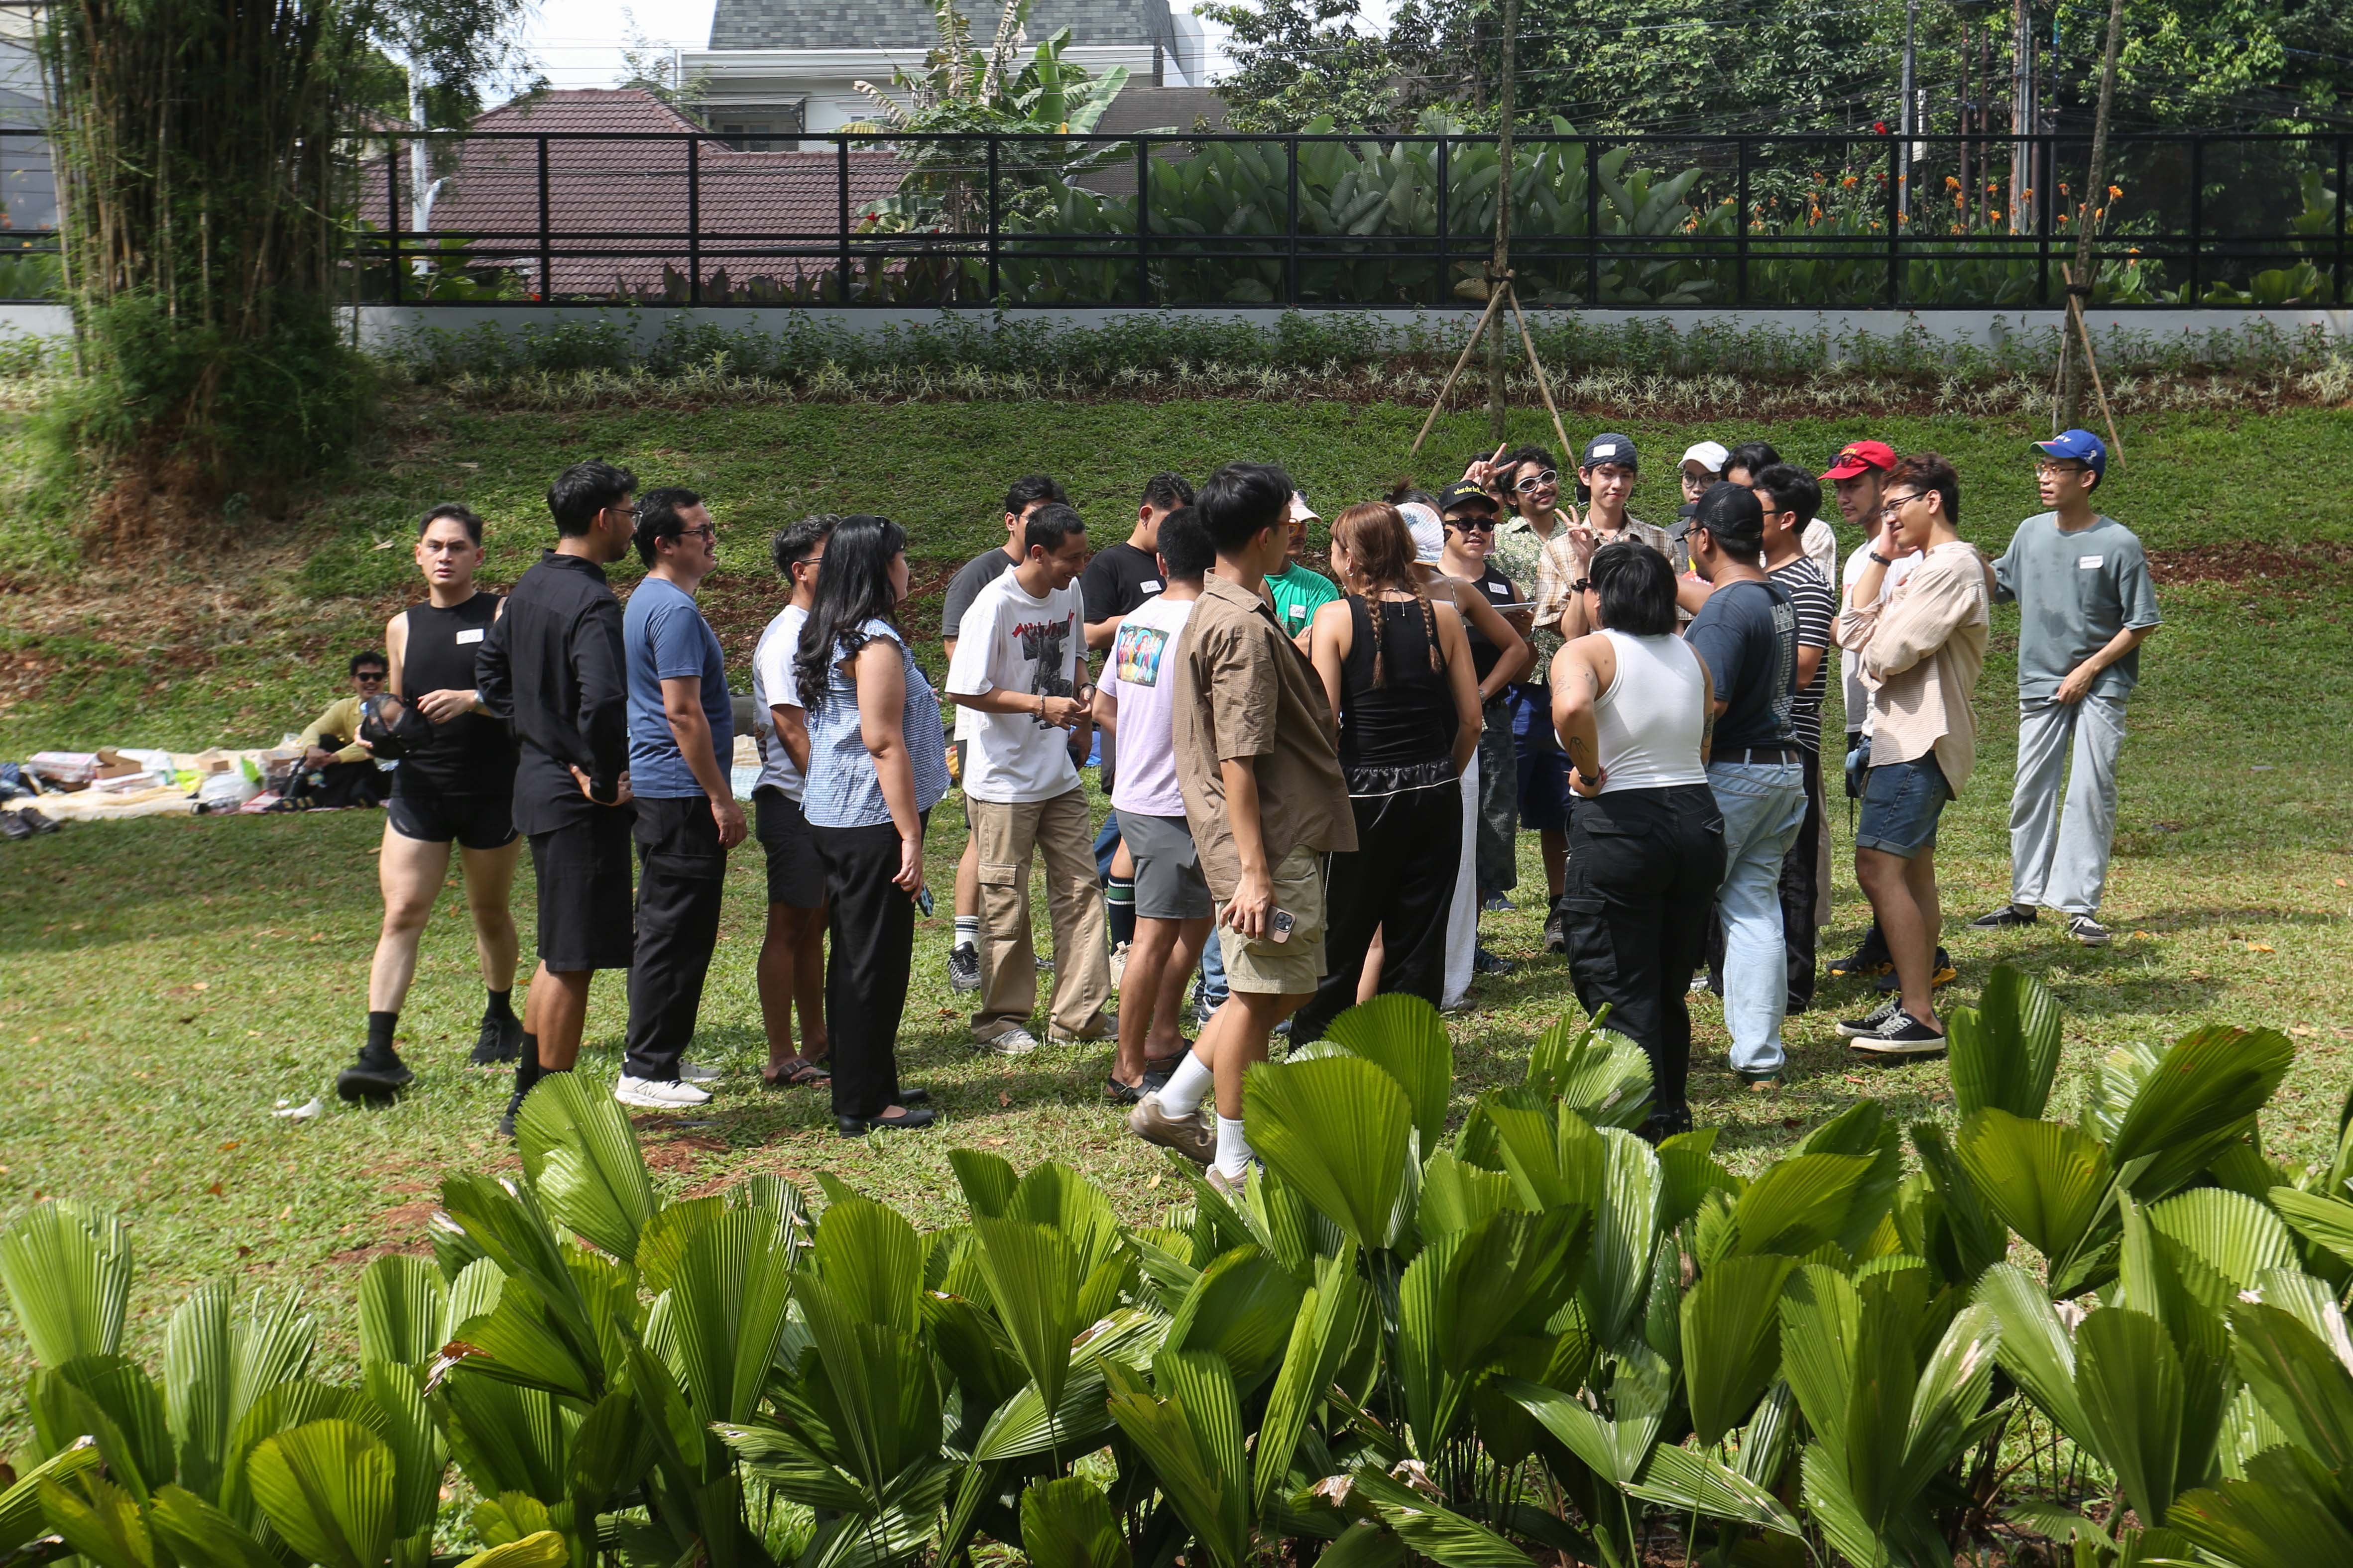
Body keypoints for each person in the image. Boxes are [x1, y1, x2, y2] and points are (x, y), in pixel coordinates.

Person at [1130, 461, 1355, 1195]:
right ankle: (1233, 1161)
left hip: (1266, 836)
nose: (1295, 532)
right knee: (1259, 1001)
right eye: (1288, 522)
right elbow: (1238, 756)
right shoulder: (1239, 627)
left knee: (1276, 990)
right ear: (1265, 535)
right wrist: (1254, 872)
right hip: (1266, 843)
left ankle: (1174, 1104)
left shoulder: (1224, 608)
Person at [332, 506, 524, 1102]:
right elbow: (396, 708)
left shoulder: (502, 614)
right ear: (418, 554)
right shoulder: (401, 627)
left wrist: (473, 699)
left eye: (458, 547)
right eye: (435, 546)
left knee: (488, 912)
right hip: (421, 790)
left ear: (477, 556)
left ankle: (500, 1016)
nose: (446, 556)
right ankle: (379, 1052)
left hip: (492, 788)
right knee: (402, 913)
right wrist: (377, 730)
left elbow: (528, 696)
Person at [474, 459, 639, 1138]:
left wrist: (542, 738)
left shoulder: (530, 585)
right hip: (579, 805)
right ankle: (550, 1110)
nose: (632, 525)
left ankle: (529, 1096)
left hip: (538, 788)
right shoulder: (593, 602)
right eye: (628, 512)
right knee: (574, 959)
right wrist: (600, 774)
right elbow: (603, 699)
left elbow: (490, 676)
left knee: (558, 949)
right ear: (602, 519)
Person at [1550, 543, 1725, 1142]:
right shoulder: (1691, 655)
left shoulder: (1585, 651)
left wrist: (1589, 773)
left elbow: (1571, 707)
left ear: (1599, 596)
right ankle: (1670, 1108)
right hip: (1696, 819)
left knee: (1618, 979)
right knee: (1668, 980)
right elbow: (1703, 741)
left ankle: (1639, 1123)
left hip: (1623, 823)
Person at [1294, 501, 1484, 1041]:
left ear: (1351, 559)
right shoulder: (1443, 615)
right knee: (1419, 941)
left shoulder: (1334, 617)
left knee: (1341, 938)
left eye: (1334, 548)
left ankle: (1315, 1059)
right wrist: (1444, 776)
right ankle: (1407, 1063)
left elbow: (1326, 724)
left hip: (1363, 794)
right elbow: (1472, 720)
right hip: (1436, 790)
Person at [790, 514, 951, 1135]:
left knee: (861, 955)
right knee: (871, 961)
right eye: (902, 558)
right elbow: (883, 742)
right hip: (870, 819)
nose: (909, 569)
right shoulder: (873, 642)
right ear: (878, 568)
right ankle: (862, 1102)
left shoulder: (833, 628)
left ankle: (871, 1079)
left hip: (840, 814)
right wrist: (909, 835)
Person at [1972, 430, 2161, 947]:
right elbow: (1999, 587)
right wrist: (1965, 557)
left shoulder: (2118, 543)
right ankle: (2023, 900)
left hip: (2100, 684)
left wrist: (2089, 669)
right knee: (2030, 790)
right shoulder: (2030, 532)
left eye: (2057, 469)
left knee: (2089, 791)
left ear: (2088, 478)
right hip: (2039, 681)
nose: (2045, 477)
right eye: (2043, 468)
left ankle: (2080, 906)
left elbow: (2141, 621)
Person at [944, 501, 1116, 1055]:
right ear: (1038, 553)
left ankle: (1079, 1016)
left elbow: (1075, 656)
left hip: (1056, 773)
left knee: (1081, 891)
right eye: (1072, 558)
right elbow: (963, 688)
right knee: (1005, 901)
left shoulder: (1070, 591)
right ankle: (1000, 1020)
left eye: (1085, 556)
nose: (1081, 567)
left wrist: (1083, 694)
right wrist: (1040, 705)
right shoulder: (993, 604)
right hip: (1002, 781)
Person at [1836, 452, 1990, 1053]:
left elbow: (1885, 655)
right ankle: (1911, 1001)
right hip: (1902, 735)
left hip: (1920, 738)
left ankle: (1920, 1014)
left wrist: (1876, 644)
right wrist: (1880, 555)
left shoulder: (1951, 567)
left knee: (1877, 866)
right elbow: (1850, 632)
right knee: (1913, 871)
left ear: (1932, 501)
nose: (1888, 518)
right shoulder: (1920, 568)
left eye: (1895, 506)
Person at [615, 488, 742, 1110]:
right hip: (680, 792)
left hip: (669, 790)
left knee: (676, 929)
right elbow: (683, 713)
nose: (713, 540)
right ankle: (646, 1069)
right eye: (702, 531)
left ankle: (660, 1054)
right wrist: (721, 797)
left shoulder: (653, 601)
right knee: (673, 932)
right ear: (665, 543)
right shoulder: (672, 611)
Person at [1683, 484, 1807, 1087]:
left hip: (1733, 773)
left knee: (1679, 905)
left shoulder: (1725, 609)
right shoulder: (1776, 596)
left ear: (1705, 538)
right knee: (1754, 909)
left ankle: (1654, 1042)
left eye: (1691, 532)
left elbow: (1711, 703)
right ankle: (1760, 1058)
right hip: (1781, 770)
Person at [1092, 506, 1215, 1099]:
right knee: (1154, 934)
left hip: (1143, 794)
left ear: (1162, 562)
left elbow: (1103, 706)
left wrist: (1145, 744)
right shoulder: (1210, 623)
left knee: (1195, 919)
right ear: (1216, 564)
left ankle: (1163, 1036)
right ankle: (1127, 1069)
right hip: (1175, 801)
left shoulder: (1137, 622)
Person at [1536, 435, 1676, 944]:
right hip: (1587, 689)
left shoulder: (1658, 542)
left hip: (1648, 692)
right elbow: (1571, 633)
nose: (1616, 484)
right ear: (1585, 477)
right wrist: (1582, 569)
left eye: (1626, 475)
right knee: (1576, 799)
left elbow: (1672, 626)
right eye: (1606, 474)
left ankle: (1643, 903)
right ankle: (1570, 907)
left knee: (1646, 793)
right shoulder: (1557, 548)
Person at [1820, 438, 1946, 988]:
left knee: (1899, 854)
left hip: (1902, 722)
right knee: (1892, 848)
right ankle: (1885, 944)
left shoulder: (1915, 557)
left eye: (1855, 485)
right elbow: (1851, 631)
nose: (1844, 497)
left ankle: (1924, 962)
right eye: (1839, 487)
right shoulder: (1863, 556)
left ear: (1886, 484)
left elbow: (1883, 643)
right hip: (1865, 715)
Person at [942, 474, 1070, 993]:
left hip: (1046, 738)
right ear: (1013, 522)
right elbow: (960, 662)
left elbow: (1070, 652)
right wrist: (1027, 697)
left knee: (1042, 870)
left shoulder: (1065, 584)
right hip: (988, 734)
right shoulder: (984, 580)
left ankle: (1030, 963)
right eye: (1036, 515)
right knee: (987, 843)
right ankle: (966, 945)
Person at [1083, 472, 1195, 973]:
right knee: (1159, 917)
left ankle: (1126, 949)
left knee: (1132, 842)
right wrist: (1149, 615)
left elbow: (1104, 704)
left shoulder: (1161, 608)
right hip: (1143, 748)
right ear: (1146, 514)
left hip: (1149, 757)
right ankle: (1123, 947)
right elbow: (1089, 633)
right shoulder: (1113, 567)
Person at [1469, 444, 1572, 942]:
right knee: (1498, 797)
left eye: (1547, 477)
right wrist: (1477, 489)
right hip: (1520, 686)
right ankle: (1484, 896)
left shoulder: (1578, 536)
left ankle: (1561, 908)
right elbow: (1456, 547)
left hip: (1571, 682)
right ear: (1511, 498)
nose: (1541, 488)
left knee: (1560, 802)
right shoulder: (1499, 539)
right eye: (1527, 484)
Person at [749, 516, 834, 1089]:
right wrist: (831, 799)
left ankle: (817, 1039)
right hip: (794, 802)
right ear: (801, 572)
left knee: (814, 925)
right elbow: (791, 728)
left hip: (821, 802)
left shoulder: (823, 628)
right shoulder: (786, 638)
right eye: (831, 560)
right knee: (788, 926)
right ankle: (781, 1054)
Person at [1753, 463, 1838, 1015]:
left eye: (1756, 510)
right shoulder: (1762, 576)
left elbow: (1804, 670)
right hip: (1756, 739)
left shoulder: (1806, 582)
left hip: (1792, 739)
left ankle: (1792, 983)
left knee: (1793, 866)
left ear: (1786, 520)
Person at [1438, 478, 1533, 948]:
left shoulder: (1503, 586)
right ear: (1442, 528)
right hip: (1437, 716)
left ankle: (1469, 945)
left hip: (1490, 718)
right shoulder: (1426, 581)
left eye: (1486, 522)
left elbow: (1522, 665)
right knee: (1442, 823)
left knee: (1490, 823)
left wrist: (1524, 636)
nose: (1476, 530)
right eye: (1464, 523)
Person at [1726, 441, 1838, 582]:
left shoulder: (1815, 534)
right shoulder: (1729, 531)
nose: (1744, 502)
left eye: (1750, 491)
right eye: (1734, 491)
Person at [294, 655, 394, 810]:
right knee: (325, 741)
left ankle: (315, 797)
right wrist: (312, 749)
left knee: (359, 764)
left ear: (384, 680)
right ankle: (297, 789)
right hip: (350, 764)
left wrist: (332, 758)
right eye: (364, 677)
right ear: (353, 681)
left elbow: (371, 746)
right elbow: (314, 729)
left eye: (377, 677)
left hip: (381, 770)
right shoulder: (346, 707)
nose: (371, 681)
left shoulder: (392, 708)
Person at [1265, 491, 1340, 646]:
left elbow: (1319, 647)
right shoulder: (1241, 583)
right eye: (1292, 525)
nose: (1301, 533)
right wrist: (1296, 646)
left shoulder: (1319, 588)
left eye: (1304, 523)